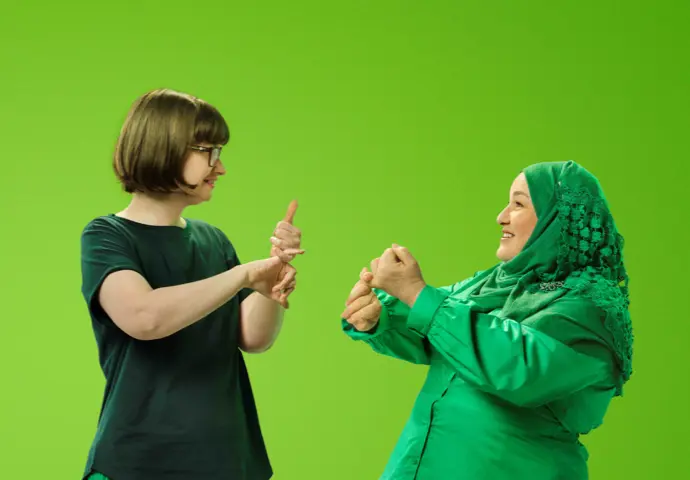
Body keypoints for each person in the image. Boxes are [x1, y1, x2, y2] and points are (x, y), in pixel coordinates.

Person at [342, 160, 633, 479]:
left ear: (557, 218)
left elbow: (519, 368)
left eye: (518, 203)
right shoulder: (496, 283)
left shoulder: (589, 305)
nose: (501, 216)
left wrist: (415, 293)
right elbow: (440, 334)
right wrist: (381, 316)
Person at [79, 88, 303, 480]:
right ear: (162, 147)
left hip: (228, 458)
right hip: (139, 462)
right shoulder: (107, 236)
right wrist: (243, 275)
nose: (220, 167)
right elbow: (143, 317)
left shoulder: (213, 241)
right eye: (208, 151)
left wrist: (269, 284)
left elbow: (253, 338)